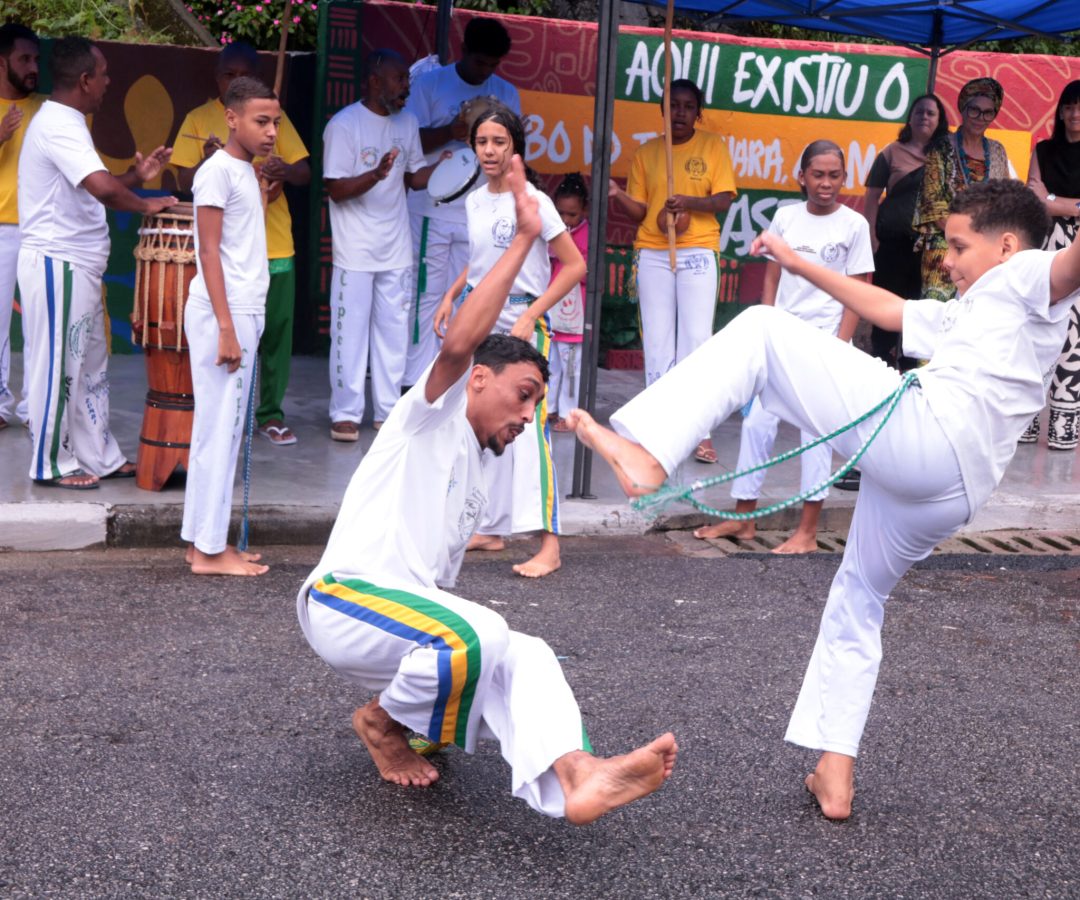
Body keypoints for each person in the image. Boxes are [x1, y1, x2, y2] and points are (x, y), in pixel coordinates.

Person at [566, 178, 1079, 821]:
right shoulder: (976, 307)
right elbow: (888, 310)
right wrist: (796, 260)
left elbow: (1068, 264)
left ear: (1006, 245)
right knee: (857, 597)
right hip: (952, 491)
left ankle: (649, 452)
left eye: (957, 245)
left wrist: (1065, 209)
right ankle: (834, 773)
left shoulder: (1030, 274)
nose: (945, 260)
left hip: (927, 436)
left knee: (761, 329)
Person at [296, 154, 677, 824]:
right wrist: (527, 238)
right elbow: (462, 341)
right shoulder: (430, 415)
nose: (527, 415)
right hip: (343, 601)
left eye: (536, 403)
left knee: (521, 650)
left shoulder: (481, 458)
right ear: (479, 380)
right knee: (479, 633)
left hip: (403, 628)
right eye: (521, 395)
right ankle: (382, 725)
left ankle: (578, 775)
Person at [694, 141, 872, 553]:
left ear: (844, 179)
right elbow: (772, 277)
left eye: (834, 175)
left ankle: (807, 533)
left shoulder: (854, 225)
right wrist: (767, 323)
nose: (825, 184)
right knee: (757, 424)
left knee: (815, 434)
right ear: (802, 177)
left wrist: (840, 344)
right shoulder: (786, 216)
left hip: (825, 341)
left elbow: (859, 290)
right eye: (818, 175)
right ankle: (744, 521)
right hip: (781, 337)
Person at [434, 106, 586, 578]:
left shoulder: (535, 200)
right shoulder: (475, 200)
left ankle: (550, 545)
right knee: (479, 423)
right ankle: (490, 527)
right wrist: (452, 294)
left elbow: (575, 265)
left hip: (524, 320)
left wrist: (533, 316)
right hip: (481, 317)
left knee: (530, 434)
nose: (490, 151)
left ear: (514, 147)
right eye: (482, 142)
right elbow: (484, 260)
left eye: (499, 142)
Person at [18, 37, 175, 489]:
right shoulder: (60, 124)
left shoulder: (67, 122)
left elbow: (97, 183)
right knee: (58, 366)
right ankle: (50, 462)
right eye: (103, 74)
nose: (108, 82)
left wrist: (136, 178)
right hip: (58, 262)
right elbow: (104, 190)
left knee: (88, 366)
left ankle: (97, 455)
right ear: (85, 80)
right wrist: (146, 204)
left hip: (77, 265)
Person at [171, 41, 311, 448]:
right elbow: (182, 181)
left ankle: (268, 412)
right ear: (218, 79)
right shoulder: (200, 119)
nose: (236, 81)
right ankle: (227, 415)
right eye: (228, 74)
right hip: (230, 258)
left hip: (274, 245)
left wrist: (283, 169)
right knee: (227, 341)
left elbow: (302, 171)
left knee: (275, 334)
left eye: (244, 74)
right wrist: (211, 158)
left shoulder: (269, 115)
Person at [181, 76, 279, 578]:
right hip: (227, 312)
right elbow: (209, 252)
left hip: (240, 309)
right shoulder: (216, 172)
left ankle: (202, 543)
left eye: (276, 123)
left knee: (219, 430)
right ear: (232, 118)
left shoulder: (245, 172)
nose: (271, 132)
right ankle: (211, 551)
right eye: (261, 121)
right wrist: (225, 326)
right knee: (220, 432)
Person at [609, 78, 736, 464]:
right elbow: (641, 212)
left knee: (696, 342)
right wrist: (619, 198)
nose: (680, 112)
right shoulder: (647, 152)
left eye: (687, 106)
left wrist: (689, 202)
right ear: (663, 110)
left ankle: (699, 430)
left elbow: (724, 198)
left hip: (697, 250)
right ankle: (656, 429)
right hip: (653, 251)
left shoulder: (712, 146)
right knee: (658, 342)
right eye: (673, 105)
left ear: (699, 112)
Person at [322, 50, 443, 442]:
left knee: (393, 334)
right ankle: (345, 413)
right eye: (399, 79)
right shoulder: (344, 126)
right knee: (350, 334)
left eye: (406, 80)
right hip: (354, 251)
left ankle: (388, 412)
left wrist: (448, 167)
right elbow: (336, 189)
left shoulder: (407, 123)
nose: (406, 87)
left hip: (395, 248)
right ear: (375, 82)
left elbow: (412, 178)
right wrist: (375, 175)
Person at [403, 16, 520, 390]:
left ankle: (451, 379)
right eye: (479, 62)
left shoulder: (506, 93)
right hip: (430, 212)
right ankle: (415, 383)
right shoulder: (429, 85)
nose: (485, 71)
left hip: (479, 214)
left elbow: (516, 153)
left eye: (492, 65)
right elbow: (410, 143)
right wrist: (453, 131)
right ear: (463, 51)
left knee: (468, 298)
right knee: (425, 295)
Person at [863, 94, 948, 367]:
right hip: (891, 247)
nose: (924, 117)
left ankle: (911, 366)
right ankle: (880, 359)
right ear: (910, 118)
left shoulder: (946, 156)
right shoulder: (891, 152)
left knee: (918, 307)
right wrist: (871, 236)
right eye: (919, 112)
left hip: (931, 248)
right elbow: (872, 196)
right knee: (887, 301)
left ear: (940, 120)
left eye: (931, 113)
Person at [914, 77, 1011, 301]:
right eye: (974, 110)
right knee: (936, 311)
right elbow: (933, 202)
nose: (980, 118)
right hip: (944, 243)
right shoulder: (941, 146)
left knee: (977, 312)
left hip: (985, 246)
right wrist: (965, 236)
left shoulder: (997, 151)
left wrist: (984, 240)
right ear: (963, 109)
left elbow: (1005, 200)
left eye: (988, 112)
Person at [1022, 79, 1080, 450]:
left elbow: (1046, 199)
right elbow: (1032, 196)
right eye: (1069, 107)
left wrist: (1055, 200)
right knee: (1037, 328)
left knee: (1075, 335)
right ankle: (1025, 421)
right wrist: (1065, 204)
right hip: (1044, 246)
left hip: (1078, 248)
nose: (1075, 114)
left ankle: (1063, 426)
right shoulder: (1043, 149)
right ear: (1060, 112)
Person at [0, 23, 42, 430]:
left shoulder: (48, 110)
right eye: (24, 59)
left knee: (38, 326)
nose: (33, 67)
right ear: (2, 62)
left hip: (39, 231)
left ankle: (34, 407)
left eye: (36, 59)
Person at [545, 172, 590, 432]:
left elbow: (585, 271)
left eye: (572, 214)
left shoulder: (586, 235)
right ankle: (548, 409)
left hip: (574, 317)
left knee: (572, 369)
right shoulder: (553, 232)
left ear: (584, 210)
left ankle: (567, 413)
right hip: (553, 314)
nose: (565, 219)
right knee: (551, 365)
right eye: (560, 213)